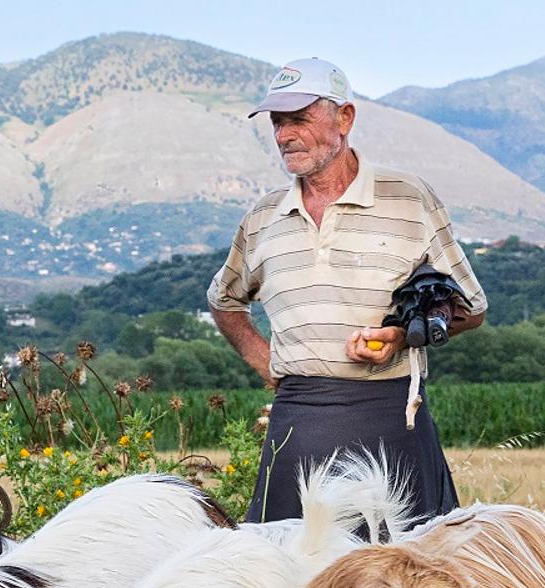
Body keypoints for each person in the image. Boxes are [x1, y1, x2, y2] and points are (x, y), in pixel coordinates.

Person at [208, 56, 486, 524]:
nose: (283, 135)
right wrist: (270, 366)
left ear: (345, 117)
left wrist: (399, 336)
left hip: (391, 424)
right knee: (288, 583)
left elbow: (471, 306)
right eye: (277, 122)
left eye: (298, 119)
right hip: (297, 427)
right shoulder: (263, 218)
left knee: (403, 584)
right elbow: (224, 301)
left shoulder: (407, 197)